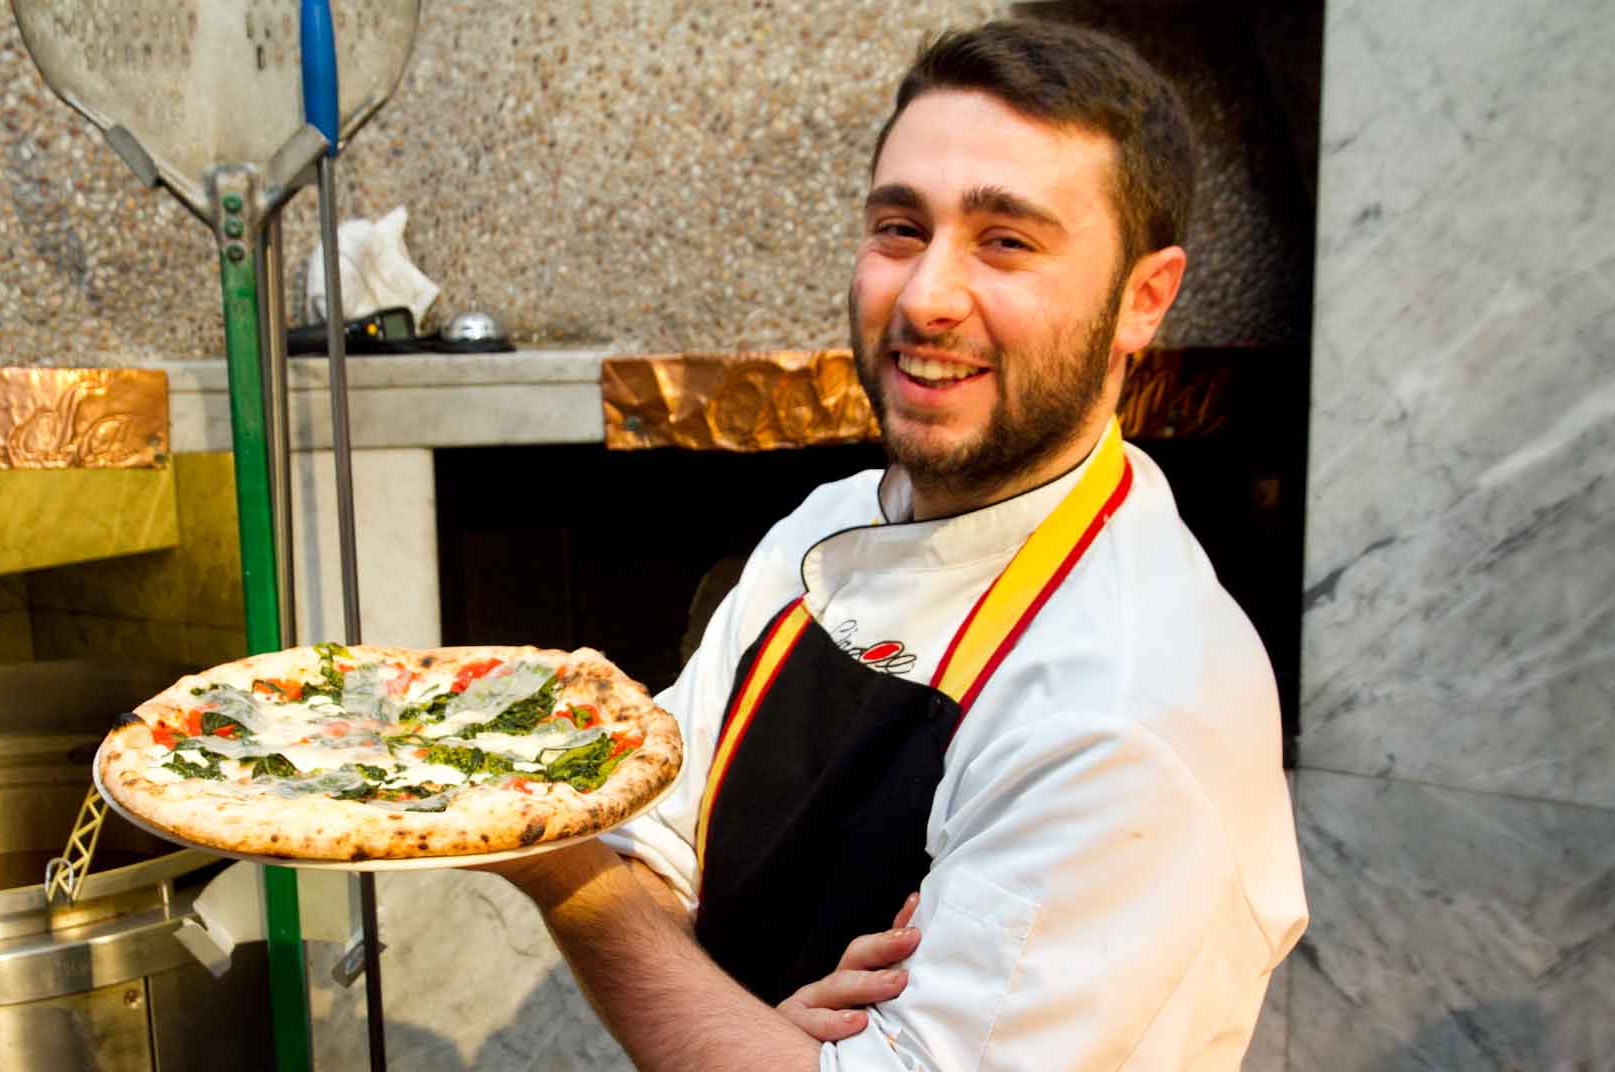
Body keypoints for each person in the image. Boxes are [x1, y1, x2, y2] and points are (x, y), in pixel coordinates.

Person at [487, 18, 1308, 1069]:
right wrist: (758, 1033)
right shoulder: (829, 518)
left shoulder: (1127, 699)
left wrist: (565, 878)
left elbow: (608, 864)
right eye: (899, 228)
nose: (925, 297)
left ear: (1141, 299)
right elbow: (645, 830)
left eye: (1005, 240)